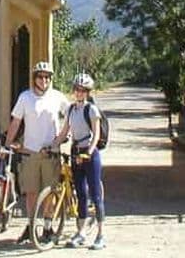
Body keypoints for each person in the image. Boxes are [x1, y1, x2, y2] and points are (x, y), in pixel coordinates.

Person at [4, 61, 69, 244]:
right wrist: (7, 144)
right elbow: (16, 122)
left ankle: (47, 228)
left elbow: (71, 115)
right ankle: (31, 225)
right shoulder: (25, 97)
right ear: (34, 79)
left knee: (49, 192)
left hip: (50, 152)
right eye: (40, 77)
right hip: (30, 152)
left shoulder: (57, 97)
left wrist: (65, 135)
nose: (44, 80)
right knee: (31, 192)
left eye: (47, 77)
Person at [51, 72, 106, 250]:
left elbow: (96, 135)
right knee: (81, 194)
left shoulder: (92, 110)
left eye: (83, 90)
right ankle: (81, 232)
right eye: (77, 89)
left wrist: (88, 152)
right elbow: (64, 132)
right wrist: (52, 145)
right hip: (75, 153)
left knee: (95, 195)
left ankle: (101, 235)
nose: (79, 92)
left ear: (88, 92)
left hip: (90, 154)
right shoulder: (71, 109)